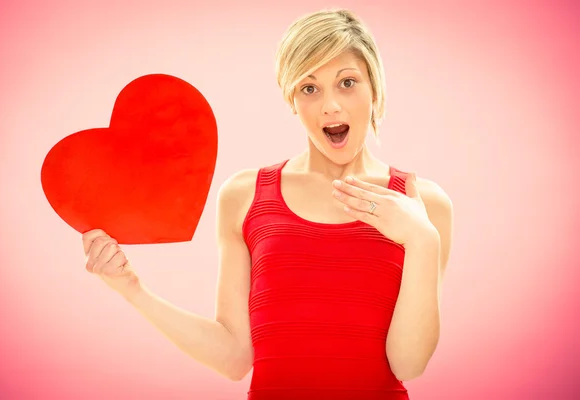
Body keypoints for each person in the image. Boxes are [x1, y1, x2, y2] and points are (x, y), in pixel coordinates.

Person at [82, 8, 454, 400]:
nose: (330, 106)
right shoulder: (245, 197)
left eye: (347, 83)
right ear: (292, 100)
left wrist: (421, 239)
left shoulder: (422, 205)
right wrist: (132, 289)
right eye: (309, 88)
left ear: (374, 90)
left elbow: (408, 364)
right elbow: (234, 358)